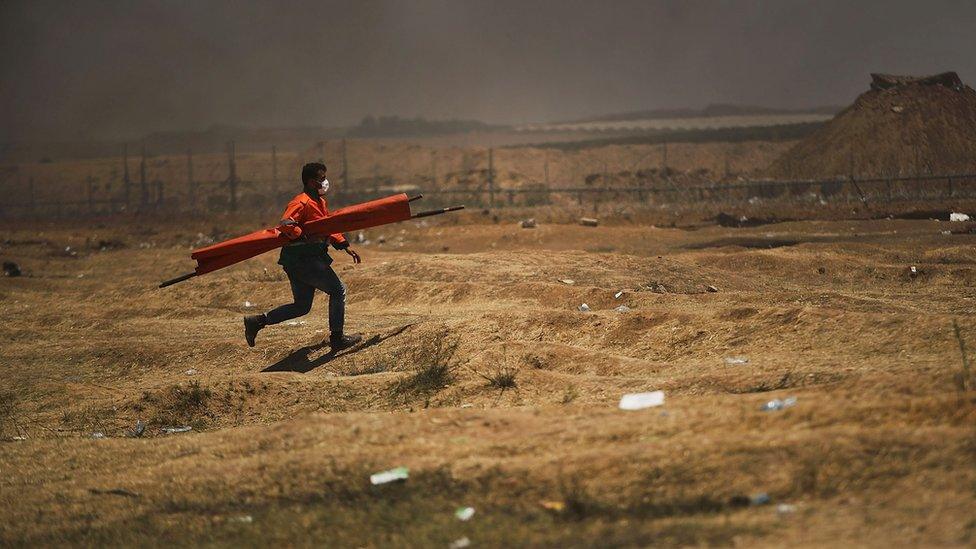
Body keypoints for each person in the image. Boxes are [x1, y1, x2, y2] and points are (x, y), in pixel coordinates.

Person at [244, 162, 362, 350]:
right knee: (338, 290)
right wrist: (302, 235)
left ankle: (257, 321)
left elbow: (326, 226)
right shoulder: (301, 202)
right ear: (310, 182)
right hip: (304, 260)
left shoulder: (319, 202)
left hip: (301, 261)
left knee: (301, 307)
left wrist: (343, 244)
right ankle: (337, 338)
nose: (325, 182)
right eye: (321, 179)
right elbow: (286, 224)